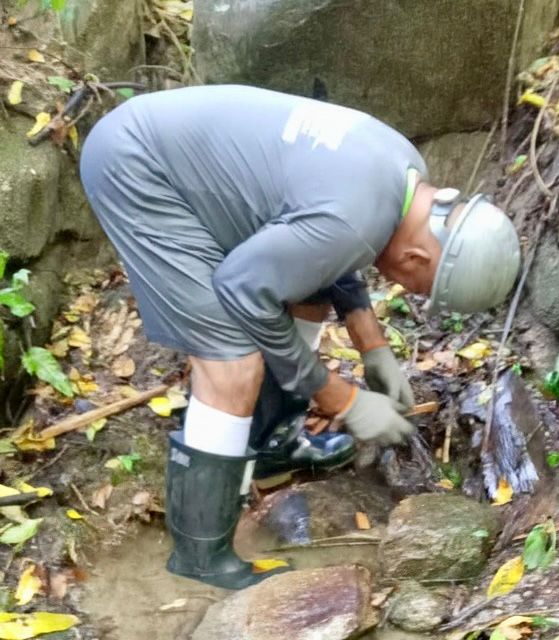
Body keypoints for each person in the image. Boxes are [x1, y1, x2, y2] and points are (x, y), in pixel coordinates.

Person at [79, 84, 521, 589]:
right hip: (138, 166)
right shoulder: (355, 216)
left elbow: (327, 252)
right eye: (421, 287)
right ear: (418, 258)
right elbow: (243, 289)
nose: (411, 291)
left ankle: (269, 443)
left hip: (174, 155)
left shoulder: (402, 173)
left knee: (306, 292)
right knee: (231, 360)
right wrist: (342, 398)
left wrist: (373, 347)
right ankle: (200, 554)